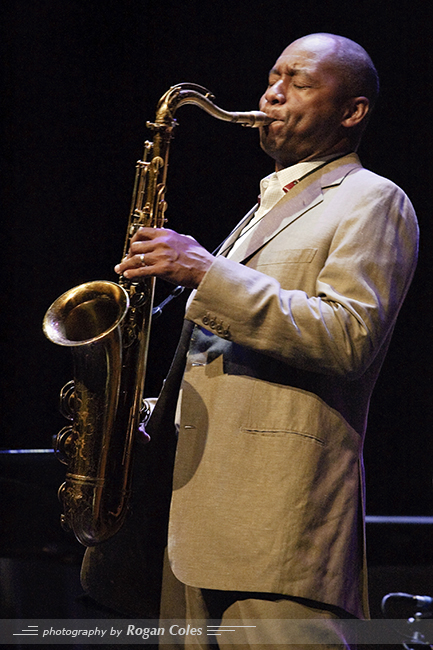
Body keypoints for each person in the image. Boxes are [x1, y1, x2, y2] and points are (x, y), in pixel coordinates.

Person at [85, 33, 419, 648]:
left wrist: (203, 272)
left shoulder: (372, 199)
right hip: (190, 524)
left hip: (277, 526)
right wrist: (148, 416)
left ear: (353, 111)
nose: (272, 93)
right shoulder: (264, 207)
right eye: (272, 77)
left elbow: (348, 335)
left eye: (299, 81)